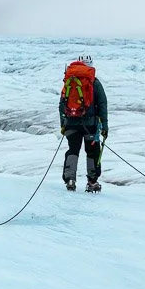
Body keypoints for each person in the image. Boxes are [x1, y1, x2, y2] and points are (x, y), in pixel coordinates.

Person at [59, 56, 108, 192]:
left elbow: (62, 104)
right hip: (90, 125)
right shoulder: (94, 83)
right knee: (92, 151)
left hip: (71, 124)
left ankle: (70, 179)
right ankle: (92, 182)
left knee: (73, 150)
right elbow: (102, 105)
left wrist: (63, 124)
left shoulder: (69, 82)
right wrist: (104, 126)